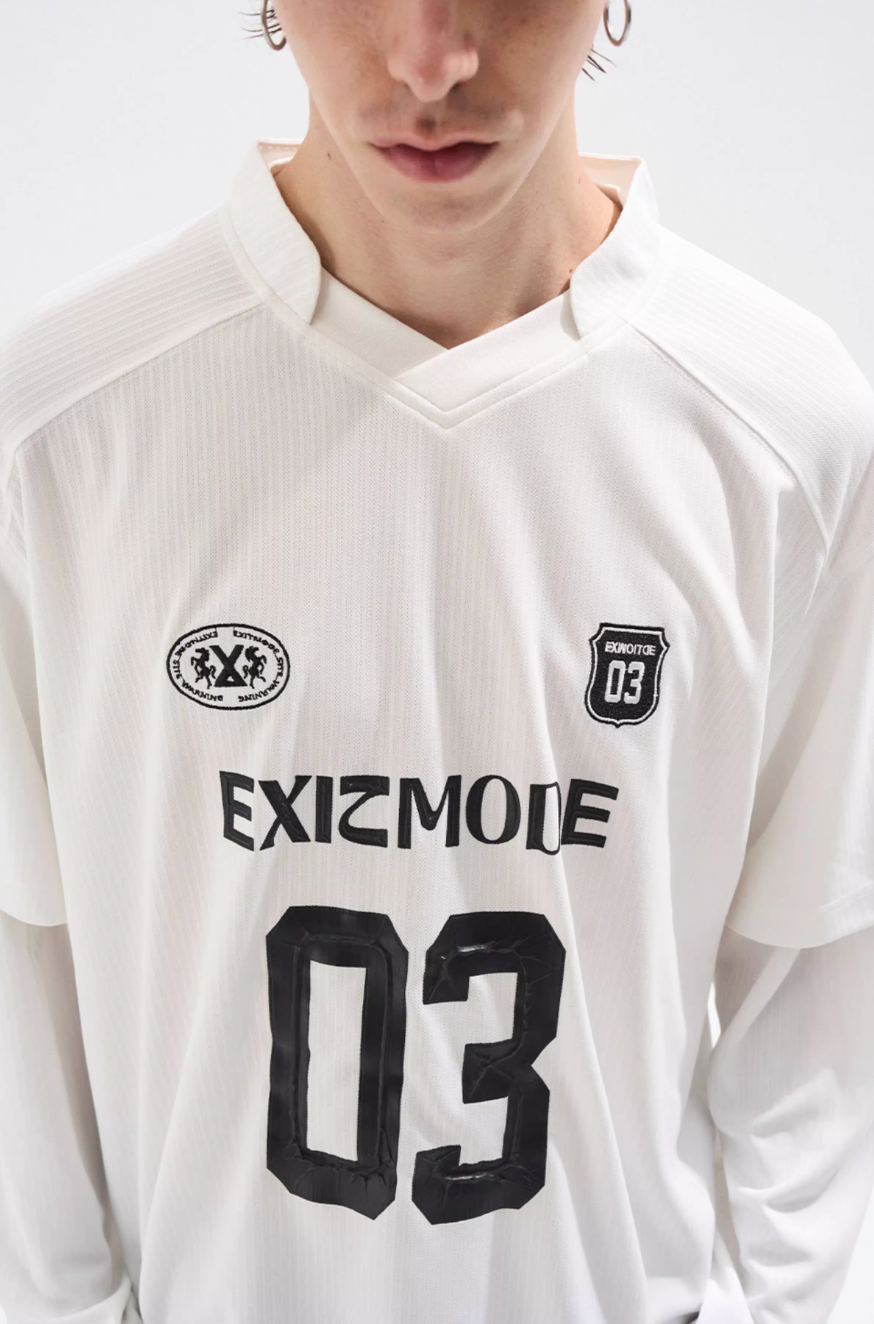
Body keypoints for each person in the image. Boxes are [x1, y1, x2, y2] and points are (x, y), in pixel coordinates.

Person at [2, 1, 874, 1320]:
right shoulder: (63, 425)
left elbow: (811, 997)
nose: (430, 60)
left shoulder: (783, 429)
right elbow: (23, 981)